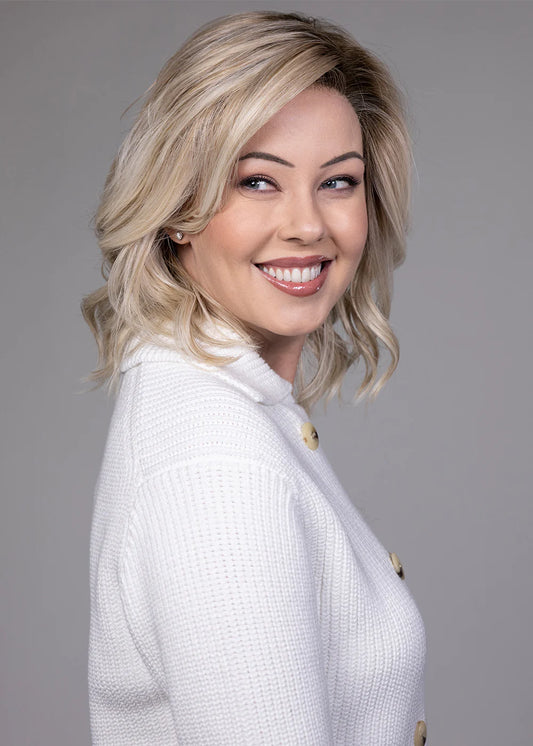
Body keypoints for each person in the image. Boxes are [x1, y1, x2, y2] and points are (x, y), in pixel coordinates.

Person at [83, 10, 427, 746]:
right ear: (178, 207)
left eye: (338, 182)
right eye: (258, 181)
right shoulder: (220, 468)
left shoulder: (217, 406)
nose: (308, 225)